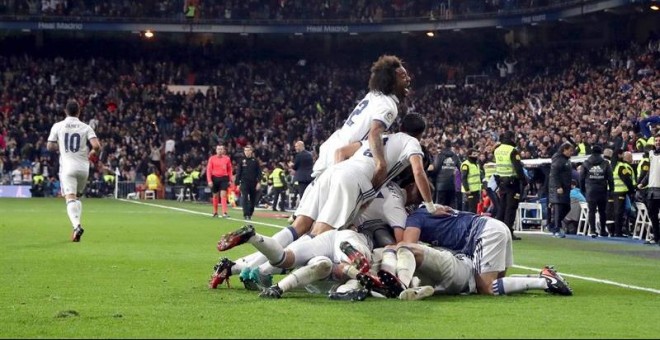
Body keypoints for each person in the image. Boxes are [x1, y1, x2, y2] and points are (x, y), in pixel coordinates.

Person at [300, 113, 434, 237]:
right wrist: (431, 208)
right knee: (329, 231)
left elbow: (340, 153)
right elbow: (418, 171)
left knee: (306, 225)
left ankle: (290, 250)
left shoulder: (379, 138)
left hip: (331, 172)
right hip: (354, 182)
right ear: (420, 135)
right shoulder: (411, 143)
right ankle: (305, 253)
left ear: (401, 126)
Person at [310, 55, 411, 190]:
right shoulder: (388, 104)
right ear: (391, 81)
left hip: (332, 148)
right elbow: (374, 133)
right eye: (403, 76)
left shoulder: (373, 95)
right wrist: (381, 163)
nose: (408, 79)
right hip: (340, 158)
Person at [46, 99, 101, 242]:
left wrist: (61, 146)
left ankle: (77, 226)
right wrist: (91, 154)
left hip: (67, 167)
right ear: (79, 111)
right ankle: (75, 229)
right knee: (77, 198)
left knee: (70, 198)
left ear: (65, 111)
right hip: (83, 167)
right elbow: (97, 146)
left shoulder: (58, 126)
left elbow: (49, 146)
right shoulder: (86, 127)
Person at [493, 131, 527, 240]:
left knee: (502, 207)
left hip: (501, 182)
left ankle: (498, 231)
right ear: (512, 138)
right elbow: (518, 168)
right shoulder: (513, 151)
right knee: (511, 208)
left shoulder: (497, 150)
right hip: (512, 182)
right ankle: (508, 232)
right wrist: (524, 181)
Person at [579, 145, 614, 237]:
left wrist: (582, 189)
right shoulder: (606, 163)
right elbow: (610, 178)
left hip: (590, 190)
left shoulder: (586, 163)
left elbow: (581, 177)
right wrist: (611, 189)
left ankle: (593, 230)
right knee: (602, 211)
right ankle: (602, 230)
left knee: (591, 211)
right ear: (601, 152)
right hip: (602, 189)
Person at [637, 132, 660, 245]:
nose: (658, 142)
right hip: (651, 189)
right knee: (653, 215)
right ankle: (656, 237)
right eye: (656, 141)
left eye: (659, 140)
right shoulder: (651, 154)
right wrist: (642, 183)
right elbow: (650, 172)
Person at [548, 142, 574, 238]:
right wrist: (558, 186)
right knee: (558, 208)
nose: (571, 153)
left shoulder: (566, 160)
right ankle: (556, 229)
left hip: (565, 188)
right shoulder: (558, 160)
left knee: (567, 207)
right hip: (558, 188)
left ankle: (553, 225)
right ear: (564, 150)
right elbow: (554, 174)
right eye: (570, 151)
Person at [612, 151, 636, 237]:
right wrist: (632, 190)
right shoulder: (623, 166)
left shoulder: (615, 165)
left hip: (615, 191)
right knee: (621, 212)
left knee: (618, 212)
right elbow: (627, 179)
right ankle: (619, 232)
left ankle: (617, 231)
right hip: (621, 192)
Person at [235, 145, 261, 220]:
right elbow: (238, 172)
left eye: (248, 150)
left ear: (251, 151)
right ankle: (246, 214)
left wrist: (259, 182)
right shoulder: (241, 160)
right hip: (244, 182)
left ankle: (250, 212)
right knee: (245, 198)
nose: (247, 152)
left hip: (253, 183)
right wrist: (237, 183)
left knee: (253, 199)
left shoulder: (255, 161)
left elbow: (259, 172)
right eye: (245, 150)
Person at [432, 139, 461, 208]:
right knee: (451, 206)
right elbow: (461, 168)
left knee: (441, 206)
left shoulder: (440, 155)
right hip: (451, 184)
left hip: (441, 184)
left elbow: (436, 168)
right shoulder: (455, 156)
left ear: (443, 145)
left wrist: (433, 179)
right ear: (451, 146)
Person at [207, 144, 233, 218]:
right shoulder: (212, 158)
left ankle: (224, 212)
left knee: (223, 195)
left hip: (224, 178)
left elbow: (230, 170)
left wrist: (230, 179)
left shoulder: (227, 159)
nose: (220, 150)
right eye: (218, 149)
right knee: (215, 195)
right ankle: (215, 212)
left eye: (221, 149)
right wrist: (209, 180)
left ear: (224, 150)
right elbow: (208, 170)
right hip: (214, 178)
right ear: (216, 150)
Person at [291, 141, 313, 209]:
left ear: (301, 146)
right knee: (308, 195)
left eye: (296, 146)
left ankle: (302, 210)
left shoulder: (299, 155)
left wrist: (291, 165)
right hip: (309, 177)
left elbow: (295, 167)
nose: (295, 148)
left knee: (302, 195)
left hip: (301, 178)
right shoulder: (310, 154)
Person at [460, 148, 482, 213]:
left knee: (474, 208)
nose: (476, 155)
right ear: (469, 155)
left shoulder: (476, 164)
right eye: (474, 154)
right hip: (469, 191)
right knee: (470, 208)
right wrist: (467, 189)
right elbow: (464, 178)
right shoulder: (466, 165)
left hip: (476, 190)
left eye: (476, 154)